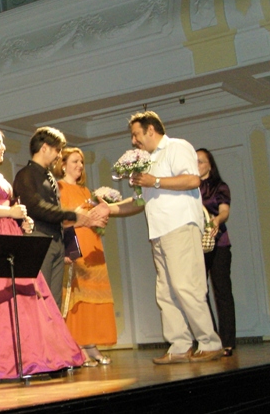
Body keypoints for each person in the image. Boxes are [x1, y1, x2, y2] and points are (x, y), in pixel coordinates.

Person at [0, 126, 84, 383]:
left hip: (10, 233)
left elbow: (10, 207)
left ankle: (29, 358)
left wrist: (22, 220)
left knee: (24, 296)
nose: (3, 147)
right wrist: (11, 213)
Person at [105, 111, 223, 364]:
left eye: (136, 134)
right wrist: (107, 209)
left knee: (186, 286)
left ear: (151, 130)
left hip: (180, 226)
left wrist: (155, 181)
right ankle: (179, 346)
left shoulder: (176, 147)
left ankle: (210, 343)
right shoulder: (147, 161)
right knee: (166, 292)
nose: (133, 141)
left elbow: (192, 180)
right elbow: (139, 202)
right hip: (158, 232)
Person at [13, 126, 105, 307]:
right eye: (57, 150)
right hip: (37, 240)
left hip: (55, 242)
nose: (59, 155)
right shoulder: (25, 174)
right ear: (44, 148)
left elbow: (54, 212)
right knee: (38, 301)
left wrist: (67, 244)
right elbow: (36, 207)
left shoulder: (49, 176)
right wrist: (73, 215)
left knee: (53, 303)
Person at [53, 147, 116, 366]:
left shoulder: (86, 191)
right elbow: (58, 221)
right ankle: (77, 346)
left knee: (92, 298)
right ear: (63, 165)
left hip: (92, 246)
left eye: (81, 162)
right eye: (75, 161)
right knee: (76, 299)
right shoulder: (58, 188)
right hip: (75, 246)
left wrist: (99, 219)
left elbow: (91, 218)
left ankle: (91, 344)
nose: (80, 165)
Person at [197, 148, 235, 357]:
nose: (197, 165)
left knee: (222, 292)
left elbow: (224, 211)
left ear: (210, 165)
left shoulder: (220, 187)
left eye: (200, 161)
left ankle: (227, 342)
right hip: (196, 245)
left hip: (219, 243)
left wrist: (217, 220)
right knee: (199, 293)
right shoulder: (189, 188)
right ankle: (211, 340)